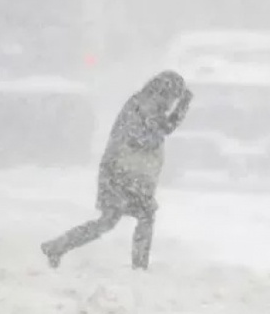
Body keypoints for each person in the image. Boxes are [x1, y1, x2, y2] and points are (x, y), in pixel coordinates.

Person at [41, 70, 193, 270]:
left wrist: (180, 109)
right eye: (173, 97)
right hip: (122, 174)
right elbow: (153, 134)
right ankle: (138, 266)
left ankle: (58, 246)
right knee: (131, 217)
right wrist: (182, 108)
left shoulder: (144, 104)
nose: (171, 103)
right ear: (164, 92)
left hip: (127, 173)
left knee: (117, 220)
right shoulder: (144, 106)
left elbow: (161, 129)